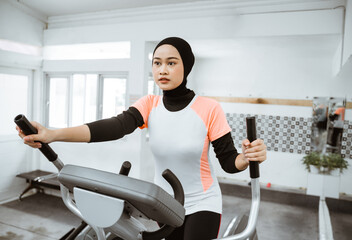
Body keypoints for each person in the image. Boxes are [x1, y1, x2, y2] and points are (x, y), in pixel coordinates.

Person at [17, 37, 267, 240]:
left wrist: (246, 158)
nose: (162, 70)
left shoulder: (209, 108)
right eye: (157, 63)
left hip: (203, 202)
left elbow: (228, 162)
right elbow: (115, 127)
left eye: (171, 63)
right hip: (165, 203)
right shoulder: (150, 104)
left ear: (186, 66)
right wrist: (52, 134)